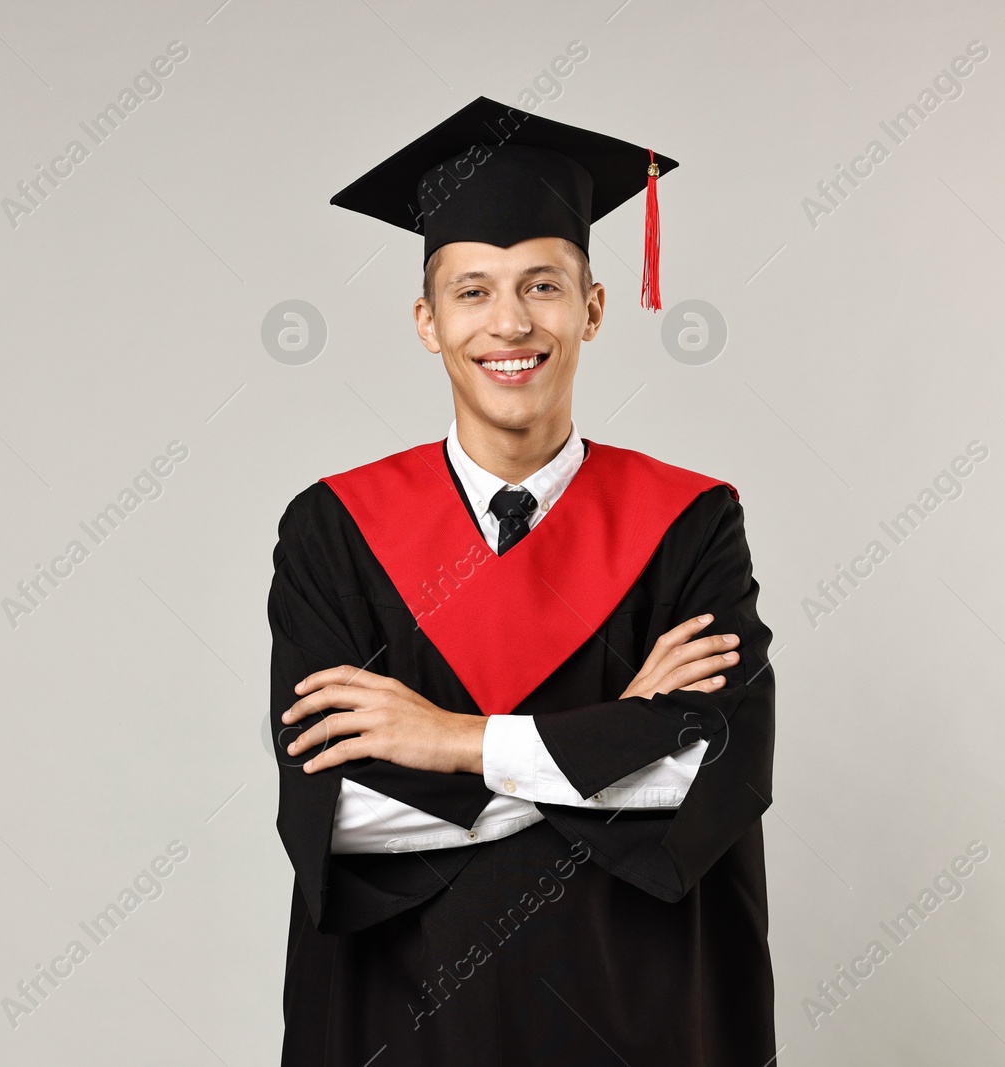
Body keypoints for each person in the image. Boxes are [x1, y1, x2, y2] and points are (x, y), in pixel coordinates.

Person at [268, 96, 777, 1065]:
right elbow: (340, 816)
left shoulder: (691, 524)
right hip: (403, 1025)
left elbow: (716, 771)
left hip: (639, 1017)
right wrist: (608, 746)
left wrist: (452, 740)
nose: (509, 323)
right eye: (472, 291)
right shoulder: (334, 534)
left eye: (542, 286)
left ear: (591, 307)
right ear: (426, 321)